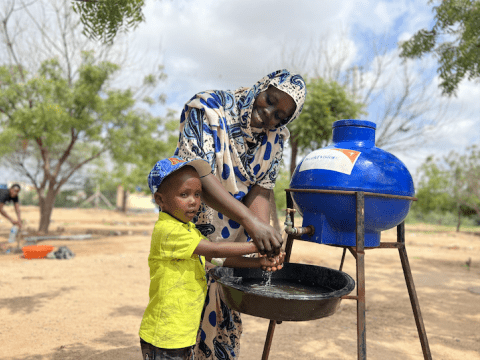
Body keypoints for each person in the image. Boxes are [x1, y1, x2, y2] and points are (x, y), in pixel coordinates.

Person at [174, 69, 307, 359]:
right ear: (262, 86)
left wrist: (265, 236)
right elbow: (198, 177)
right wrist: (251, 222)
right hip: (193, 230)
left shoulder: (275, 138)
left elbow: (260, 190)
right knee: (184, 317)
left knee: (222, 316)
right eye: (269, 100)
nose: (268, 115)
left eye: (280, 116)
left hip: (229, 241)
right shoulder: (207, 109)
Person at [139, 156, 285, 360]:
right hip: (164, 335)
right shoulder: (168, 230)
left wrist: (258, 262)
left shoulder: (187, 228)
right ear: (160, 200)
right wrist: (257, 244)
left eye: (197, 194)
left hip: (180, 333)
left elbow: (214, 261)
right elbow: (214, 250)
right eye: (184, 194)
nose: (193, 201)